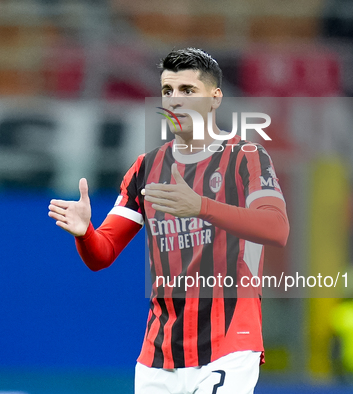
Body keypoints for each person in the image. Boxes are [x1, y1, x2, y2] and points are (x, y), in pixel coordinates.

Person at [48, 48, 289, 394]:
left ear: (214, 98)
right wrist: (86, 231)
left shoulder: (246, 159)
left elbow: (276, 229)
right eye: (167, 91)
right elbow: (102, 255)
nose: (175, 101)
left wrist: (202, 206)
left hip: (228, 346)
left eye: (188, 91)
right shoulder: (146, 169)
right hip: (158, 356)